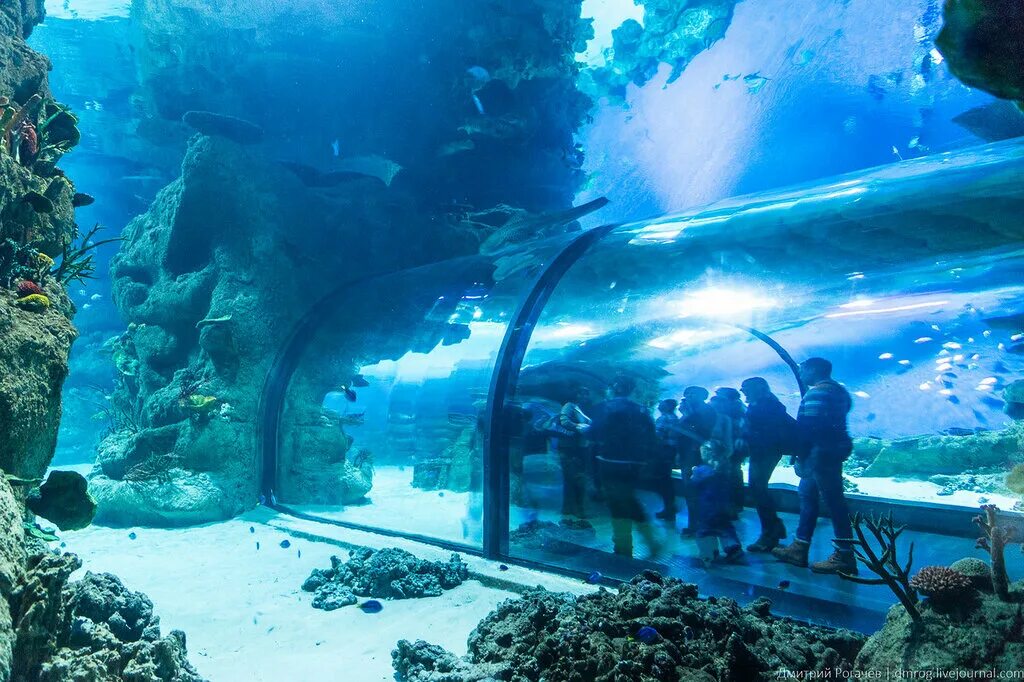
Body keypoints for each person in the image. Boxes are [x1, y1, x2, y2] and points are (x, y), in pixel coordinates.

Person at [772, 357, 858, 575]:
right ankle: (799, 547)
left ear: (813, 369)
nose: (800, 374)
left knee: (834, 503)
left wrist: (801, 455)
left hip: (819, 455)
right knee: (807, 496)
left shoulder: (817, 392)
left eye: (802, 370)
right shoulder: (839, 391)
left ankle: (844, 555)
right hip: (831, 452)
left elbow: (809, 428)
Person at [589, 375, 661, 558]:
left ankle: (623, 549)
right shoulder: (642, 410)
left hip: (610, 463)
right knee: (628, 500)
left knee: (618, 506)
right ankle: (650, 540)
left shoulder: (605, 407)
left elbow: (593, 432)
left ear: (614, 388)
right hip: (634, 465)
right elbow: (652, 437)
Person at [738, 377, 794, 552]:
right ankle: (773, 529)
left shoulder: (765, 406)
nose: (743, 391)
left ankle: (769, 534)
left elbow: (764, 432)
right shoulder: (765, 403)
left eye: (746, 388)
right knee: (758, 490)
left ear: (758, 388)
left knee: (758, 490)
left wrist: (746, 439)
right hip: (762, 452)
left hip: (764, 452)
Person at [690, 439, 744, 566]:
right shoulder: (725, 469)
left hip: (707, 509)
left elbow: (693, 483)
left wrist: (693, 473)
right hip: (723, 508)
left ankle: (709, 554)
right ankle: (734, 550)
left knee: (705, 531)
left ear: (707, 453)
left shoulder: (701, 470)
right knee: (725, 528)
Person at [678, 387, 717, 536]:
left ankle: (701, 524)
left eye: (692, 393)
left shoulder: (706, 410)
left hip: (698, 456)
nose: (688, 395)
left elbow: (702, 431)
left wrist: (687, 415)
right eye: (686, 393)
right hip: (686, 454)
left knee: (697, 490)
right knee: (690, 491)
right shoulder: (689, 410)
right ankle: (694, 523)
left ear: (703, 396)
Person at [555, 387, 593, 520]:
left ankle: (568, 507)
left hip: (578, 448)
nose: (585, 396)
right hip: (570, 449)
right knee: (575, 478)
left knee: (572, 478)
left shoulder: (581, 408)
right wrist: (577, 427)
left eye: (587, 393)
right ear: (576, 394)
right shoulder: (570, 406)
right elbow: (564, 421)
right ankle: (576, 509)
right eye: (583, 393)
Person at [710, 387, 746, 518]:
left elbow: (739, 429)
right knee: (733, 475)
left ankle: (732, 506)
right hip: (732, 447)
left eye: (720, 395)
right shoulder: (737, 407)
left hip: (732, 447)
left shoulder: (736, 409)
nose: (717, 396)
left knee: (731, 475)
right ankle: (733, 506)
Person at [653, 399, 683, 522]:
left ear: (667, 406)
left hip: (663, 451)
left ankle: (669, 507)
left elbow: (657, 435)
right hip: (670, 452)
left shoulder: (664, 418)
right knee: (666, 479)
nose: (659, 405)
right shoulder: (675, 418)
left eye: (662, 404)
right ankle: (670, 506)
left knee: (663, 480)